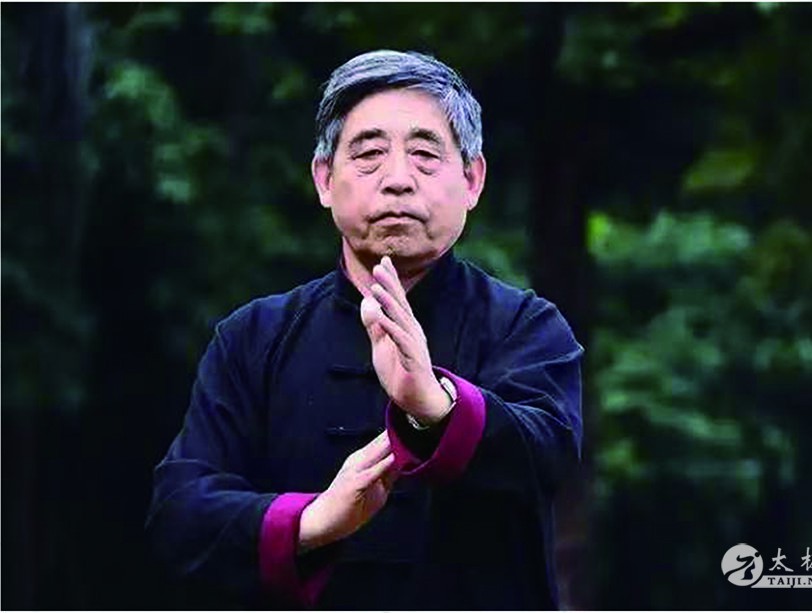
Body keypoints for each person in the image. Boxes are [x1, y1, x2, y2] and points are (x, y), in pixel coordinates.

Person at [146, 49, 583, 610]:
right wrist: (313, 521)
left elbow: (549, 457)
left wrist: (436, 409)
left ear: (472, 180)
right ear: (325, 180)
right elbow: (180, 514)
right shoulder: (252, 338)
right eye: (370, 154)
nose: (398, 180)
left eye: (425, 155)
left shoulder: (527, 327)